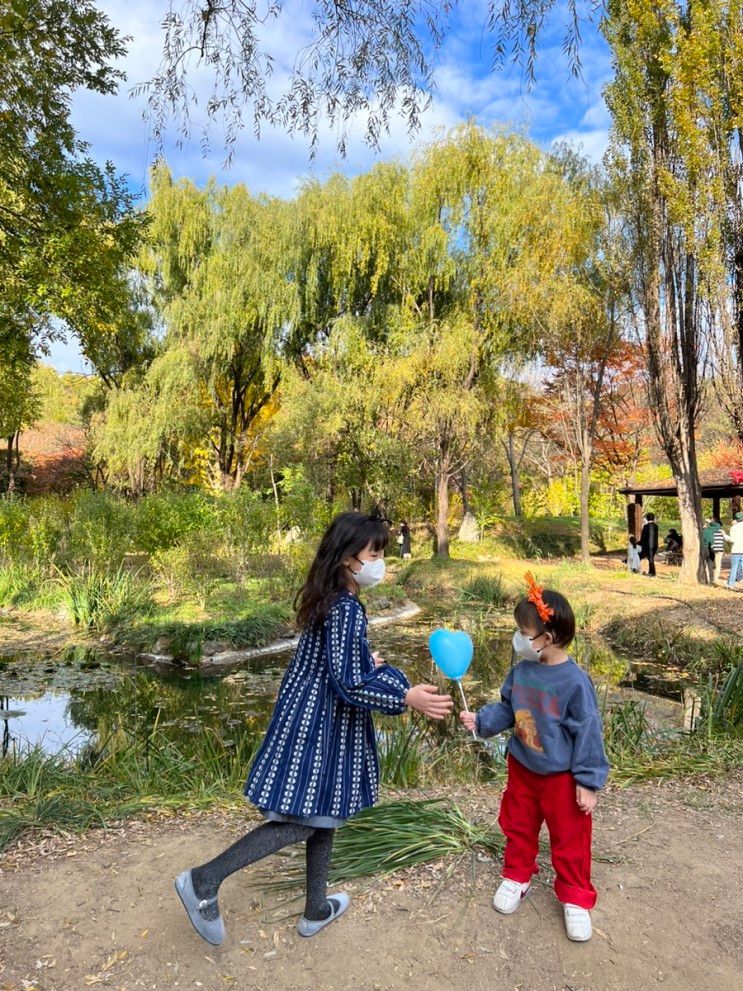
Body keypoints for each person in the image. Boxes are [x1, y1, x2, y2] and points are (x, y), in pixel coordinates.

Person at [175, 511, 453, 945]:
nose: (381, 561)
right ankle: (204, 881)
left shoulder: (330, 600)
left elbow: (340, 666)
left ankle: (315, 908)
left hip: (316, 718)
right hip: (320, 726)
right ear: (348, 558)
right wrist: (405, 696)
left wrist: (370, 663)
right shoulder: (345, 609)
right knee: (306, 819)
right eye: (374, 553)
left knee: (326, 812)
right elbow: (349, 684)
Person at [460, 574, 609, 943]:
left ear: (551, 637)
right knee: (518, 826)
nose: (519, 638)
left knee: (570, 837)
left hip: (561, 777)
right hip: (522, 768)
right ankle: (517, 876)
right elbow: (509, 709)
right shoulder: (521, 671)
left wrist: (588, 782)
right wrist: (480, 721)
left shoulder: (575, 682)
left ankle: (575, 896)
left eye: (525, 632)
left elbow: (588, 731)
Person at [726, 511, 743, 589]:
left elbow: (732, 540)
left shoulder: (733, 528)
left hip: (736, 550)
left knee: (734, 568)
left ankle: (731, 584)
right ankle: (740, 579)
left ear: (735, 519)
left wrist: (724, 535)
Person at [711, 518, 728, 583]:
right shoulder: (722, 531)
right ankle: (715, 578)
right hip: (719, 549)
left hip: (712, 548)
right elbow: (725, 539)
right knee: (718, 564)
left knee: (710, 563)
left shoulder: (711, 530)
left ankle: (709, 575)